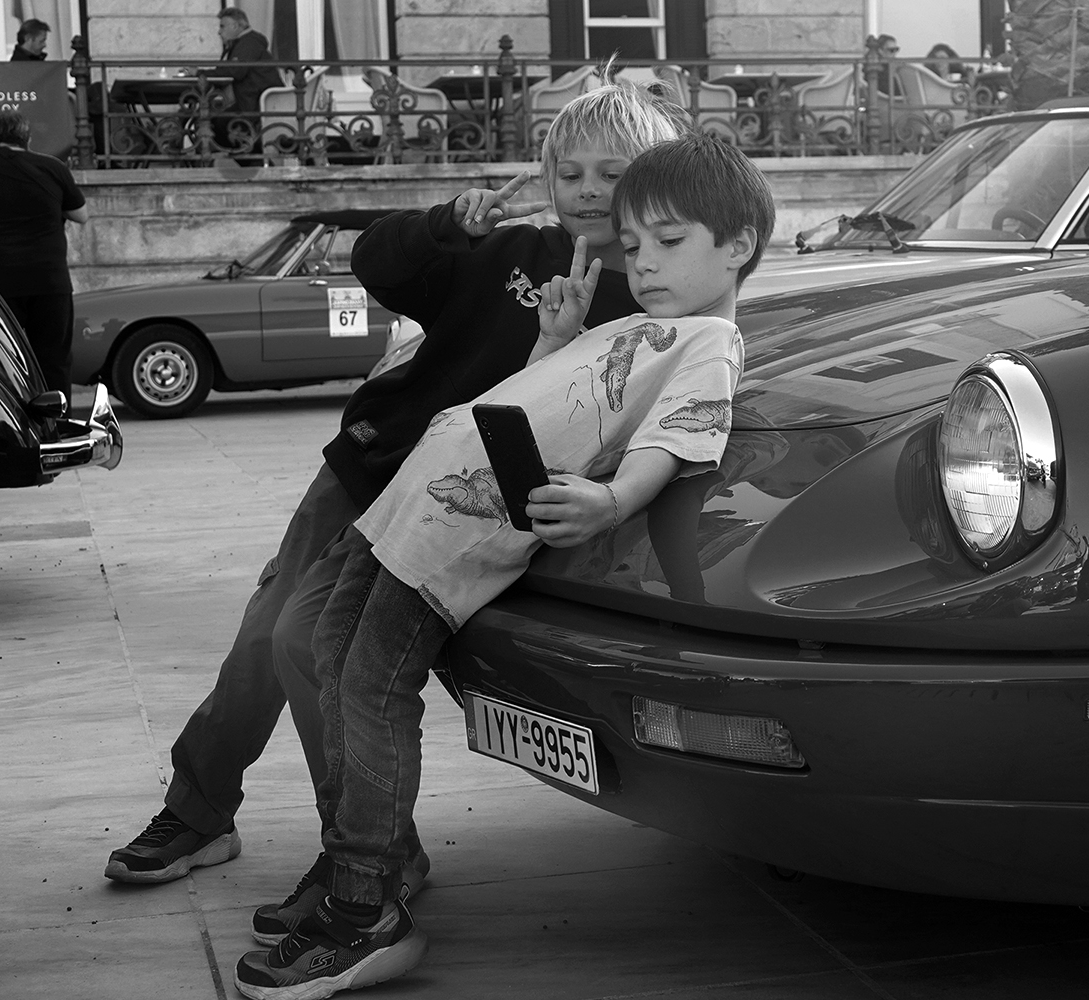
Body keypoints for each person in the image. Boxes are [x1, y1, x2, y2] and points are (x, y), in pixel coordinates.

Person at [103, 78, 690, 902]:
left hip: (460, 510)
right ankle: (203, 810)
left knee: (313, 647)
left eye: (614, 173)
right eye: (570, 173)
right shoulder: (510, 251)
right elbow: (375, 261)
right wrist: (447, 225)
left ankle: (361, 851)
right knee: (266, 636)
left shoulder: (658, 300)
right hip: (370, 470)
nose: (588, 190)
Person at [232, 131, 774, 1000]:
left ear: (738, 246)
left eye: (669, 242)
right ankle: (353, 874)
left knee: (367, 686)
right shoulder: (636, 325)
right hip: (410, 512)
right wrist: (555, 339)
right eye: (634, 244)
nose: (644, 262)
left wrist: (614, 499)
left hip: (456, 538)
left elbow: (680, 435)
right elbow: (539, 401)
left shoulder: (708, 341)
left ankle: (366, 906)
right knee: (332, 659)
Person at [0, 109, 86, 398]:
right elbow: (81, 215)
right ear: (27, 137)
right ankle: (57, 417)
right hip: (48, 278)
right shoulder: (53, 167)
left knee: (0, 355)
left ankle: (8, 414)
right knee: (53, 358)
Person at [190, 7, 275, 150]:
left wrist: (200, 73)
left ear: (235, 26)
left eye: (222, 26)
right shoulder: (247, 42)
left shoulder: (248, 43)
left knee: (215, 123)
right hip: (255, 102)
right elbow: (231, 70)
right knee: (213, 120)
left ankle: (249, 158)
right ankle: (246, 156)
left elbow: (234, 71)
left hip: (256, 105)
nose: (219, 32)